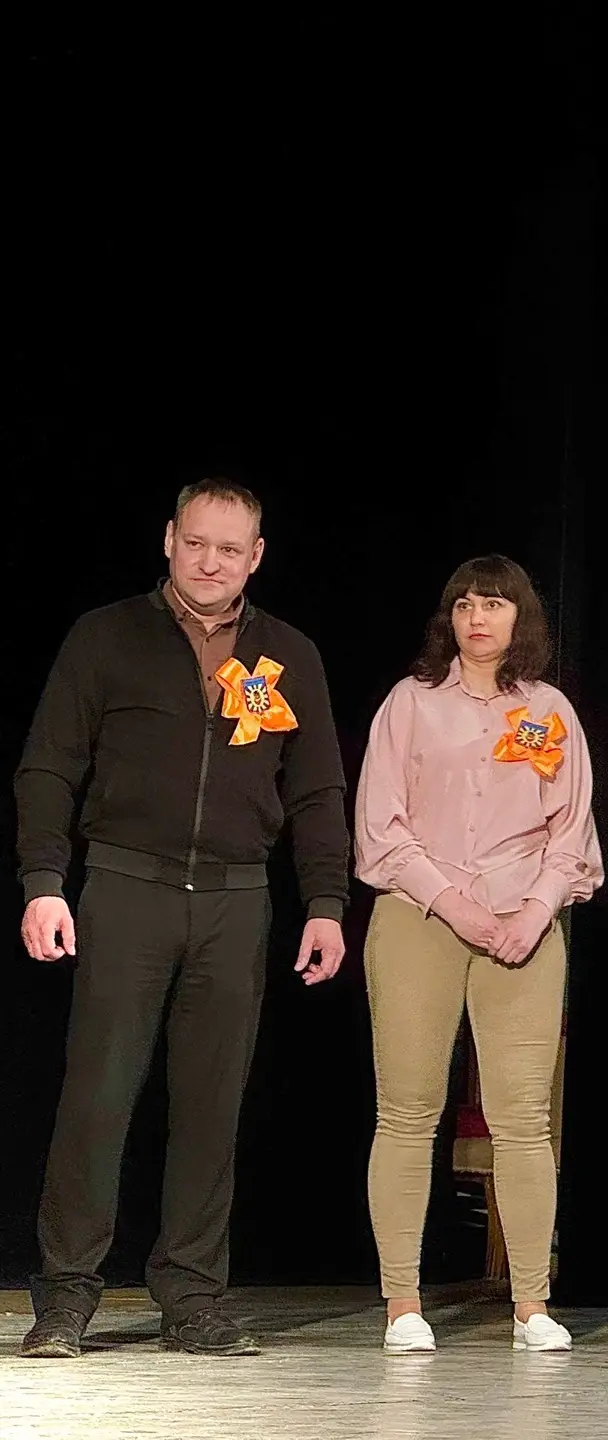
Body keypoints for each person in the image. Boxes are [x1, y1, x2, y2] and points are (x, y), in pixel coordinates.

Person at [15, 479, 350, 1359]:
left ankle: (193, 1297)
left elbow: (317, 791)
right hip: (127, 886)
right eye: (196, 542)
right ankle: (65, 1296)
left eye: (230, 549)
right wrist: (44, 880)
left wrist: (325, 903)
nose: (211, 562)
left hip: (237, 900)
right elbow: (49, 766)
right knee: (98, 1098)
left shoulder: (289, 653)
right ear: (169, 538)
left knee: (211, 1106)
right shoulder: (106, 636)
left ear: (257, 557)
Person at [354, 555, 603, 1355]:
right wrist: (456, 903)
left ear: (519, 617)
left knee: (523, 1117)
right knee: (407, 1111)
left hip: (521, 924)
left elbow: (571, 831)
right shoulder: (411, 702)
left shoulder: (548, 710)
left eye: (493, 604)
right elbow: (381, 827)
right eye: (464, 604)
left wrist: (534, 910)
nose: (477, 618)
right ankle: (402, 1303)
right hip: (420, 915)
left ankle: (532, 1303)